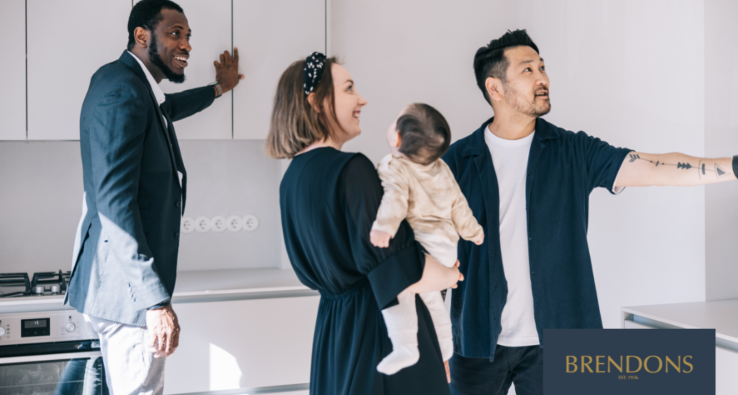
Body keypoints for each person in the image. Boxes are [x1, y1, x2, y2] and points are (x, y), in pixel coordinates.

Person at [443, 29, 738, 395]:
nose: (543, 78)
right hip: (476, 341)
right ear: (495, 88)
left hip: (563, 340)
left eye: (543, 67)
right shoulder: (455, 161)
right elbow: (427, 247)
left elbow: (652, 166)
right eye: (527, 70)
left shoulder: (573, 150)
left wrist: (735, 166)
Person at [67, 0, 243, 393]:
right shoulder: (125, 93)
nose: (186, 45)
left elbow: (169, 108)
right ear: (142, 35)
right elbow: (113, 204)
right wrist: (154, 302)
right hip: (128, 296)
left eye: (188, 36)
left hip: (113, 286)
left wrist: (219, 88)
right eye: (175, 33)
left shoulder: (124, 82)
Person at [267, 52, 460, 395]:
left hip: (334, 333)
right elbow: (397, 268)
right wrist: (450, 274)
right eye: (349, 89)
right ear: (316, 102)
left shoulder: (292, 177)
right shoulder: (352, 169)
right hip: (379, 330)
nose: (362, 99)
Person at [369, 103, 484, 375]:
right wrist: (474, 232)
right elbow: (459, 204)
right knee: (433, 301)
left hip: (421, 246)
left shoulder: (394, 165)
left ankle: (405, 345)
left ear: (396, 138)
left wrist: (383, 228)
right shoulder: (442, 168)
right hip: (447, 246)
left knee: (400, 292)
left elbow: (394, 199)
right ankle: (445, 351)